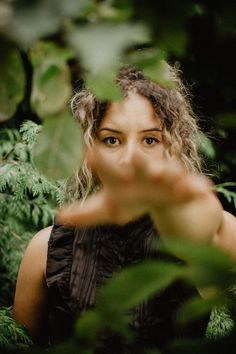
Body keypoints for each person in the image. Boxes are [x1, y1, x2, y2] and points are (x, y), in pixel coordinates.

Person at [13, 64, 236, 350]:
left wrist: (201, 232)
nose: (130, 159)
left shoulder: (199, 243)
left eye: (150, 139)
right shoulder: (44, 252)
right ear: (89, 148)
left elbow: (220, 239)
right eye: (112, 139)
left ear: (175, 148)